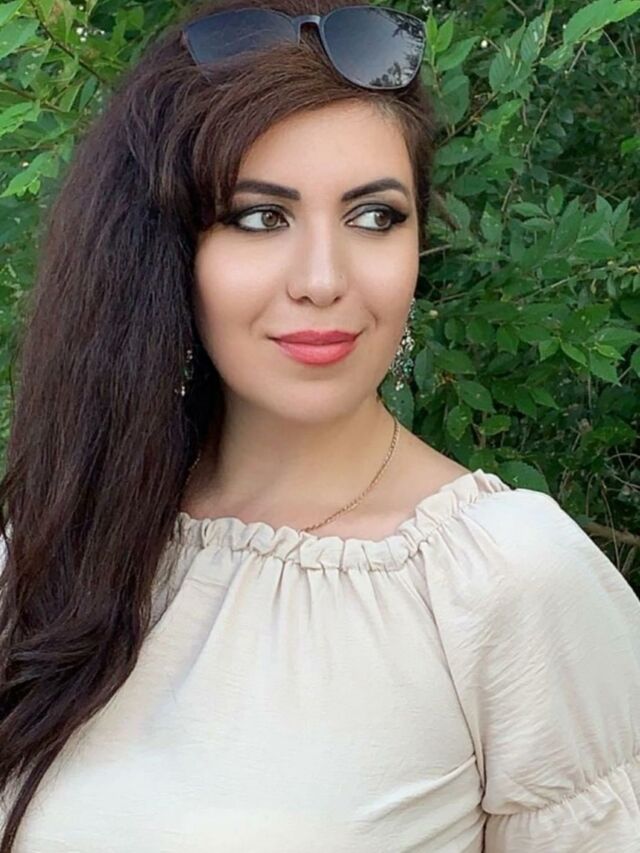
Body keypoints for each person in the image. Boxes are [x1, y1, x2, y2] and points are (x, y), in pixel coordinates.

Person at [0, 0, 638, 851]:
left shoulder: (510, 581)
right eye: (260, 217)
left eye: (374, 217)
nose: (323, 278)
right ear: (166, 251)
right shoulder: (53, 543)